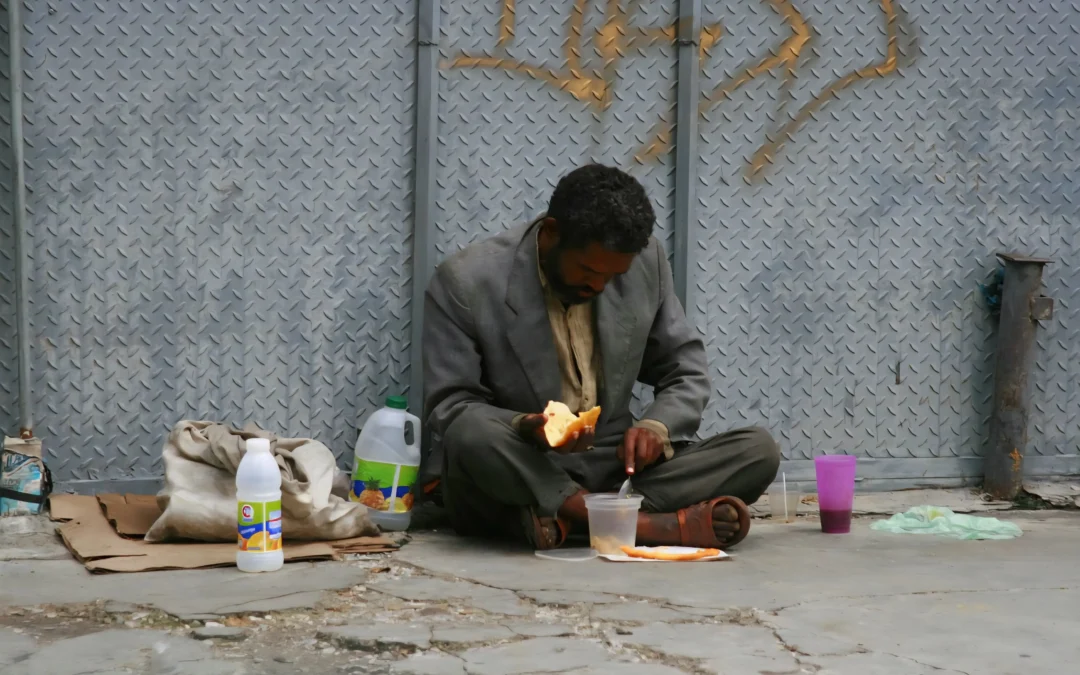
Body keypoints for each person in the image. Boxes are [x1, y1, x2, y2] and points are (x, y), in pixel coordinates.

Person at [421, 164, 779, 550]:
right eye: (588, 270)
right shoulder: (466, 281)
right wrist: (525, 426)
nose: (599, 286)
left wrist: (655, 428)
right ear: (552, 233)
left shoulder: (646, 263)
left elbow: (684, 368)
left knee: (757, 451)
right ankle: (647, 526)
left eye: (612, 276)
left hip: (615, 465)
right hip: (526, 462)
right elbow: (451, 406)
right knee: (469, 432)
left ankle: (565, 519)